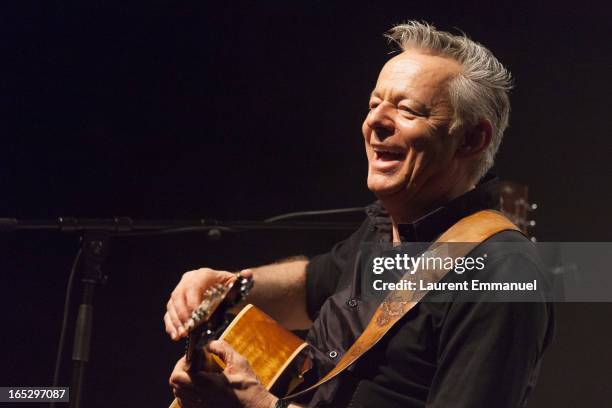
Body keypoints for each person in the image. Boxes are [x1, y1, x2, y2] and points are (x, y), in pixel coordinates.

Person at [165, 21, 554, 408]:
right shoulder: (387, 225)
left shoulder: (504, 273)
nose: (375, 122)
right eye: (374, 104)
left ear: (472, 138)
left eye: (407, 109)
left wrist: (260, 407)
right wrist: (228, 289)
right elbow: (311, 284)